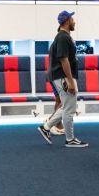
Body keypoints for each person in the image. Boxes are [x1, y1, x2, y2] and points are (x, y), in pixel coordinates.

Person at [37, 11, 88, 147]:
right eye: (72, 19)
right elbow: (64, 60)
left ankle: (46, 127)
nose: (74, 21)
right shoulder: (62, 37)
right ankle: (70, 139)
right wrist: (71, 81)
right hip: (64, 77)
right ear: (66, 21)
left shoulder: (63, 37)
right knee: (69, 109)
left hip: (63, 77)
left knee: (66, 107)